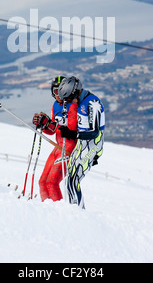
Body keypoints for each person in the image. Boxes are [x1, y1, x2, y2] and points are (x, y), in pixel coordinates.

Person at [58, 76, 105, 209]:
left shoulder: (93, 103)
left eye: (68, 98)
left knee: (74, 181)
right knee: (69, 179)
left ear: (75, 92)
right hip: (82, 144)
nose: (68, 102)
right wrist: (67, 130)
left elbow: (95, 132)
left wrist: (73, 134)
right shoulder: (79, 102)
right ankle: (74, 209)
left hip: (92, 145)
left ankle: (79, 214)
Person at [32, 76, 78, 202]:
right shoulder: (55, 106)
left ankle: (59, 211)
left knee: (52, 182)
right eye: (55, 92)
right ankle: (46, 208)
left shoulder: (72, 106)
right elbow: (53, 131)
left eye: (60, 91)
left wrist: (51, 124)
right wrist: (44, 124)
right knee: (42, 182)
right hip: (58, 147)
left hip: (68, 148)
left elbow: (70, 131)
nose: (58, 95)